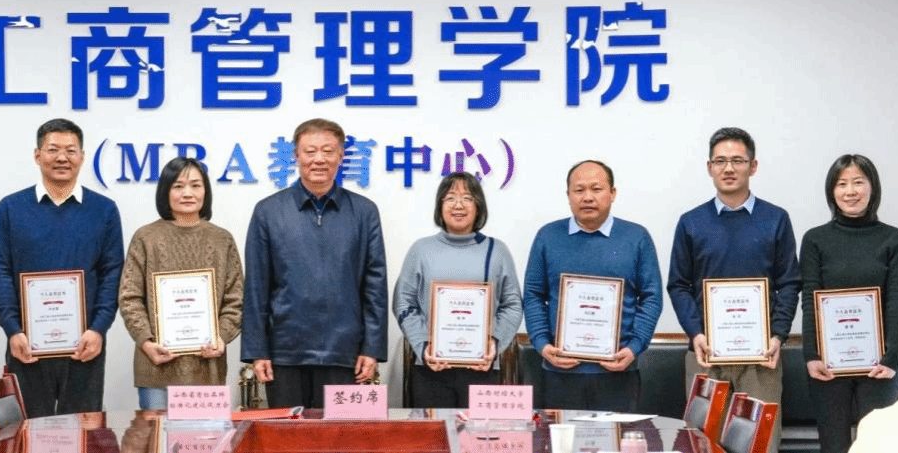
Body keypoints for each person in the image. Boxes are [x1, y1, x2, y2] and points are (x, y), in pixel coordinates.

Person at [667, 127, 800, 453]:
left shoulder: (775, 219)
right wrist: (696, 333)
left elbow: (789, 282)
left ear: (753, 166)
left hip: (761, 360)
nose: (728, 168)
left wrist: (778, 335)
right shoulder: (691, 222)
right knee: (703, 446)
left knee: (760, 446)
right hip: (706, 356)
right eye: (720, 161)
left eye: (737, 161)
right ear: (709, 167)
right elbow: (678, 284)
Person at [241, 118, 388, 408]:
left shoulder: (364, 212)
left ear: (341, 156)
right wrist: (257, 351)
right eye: (310, 151)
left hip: (344, 352)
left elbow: (375, 285)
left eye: (328, 151)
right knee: (287, 433)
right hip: (284, 353)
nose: (319, 159)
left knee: (338, 433)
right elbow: (256, 286)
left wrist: (371, 348)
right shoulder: (268, 211)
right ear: (296, 155)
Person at [0, 118, 124, 416]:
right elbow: (0, 271)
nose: (62, 157)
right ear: (37, 155)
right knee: (28, 430)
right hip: (27, 345)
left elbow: (112, 272)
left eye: (71, 150)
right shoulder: (10, 208)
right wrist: (12, 329)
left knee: (83, 430)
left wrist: (98, 328)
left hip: (84, 346)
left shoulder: (104, 210)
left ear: (82, 157)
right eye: (53, 150)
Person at [522, 160, 664, 412]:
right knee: (560, 436)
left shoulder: (637, 237)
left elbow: (652, 297)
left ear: (613, 193)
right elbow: (533, 294)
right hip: (560, 372)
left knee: (618, 437)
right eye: (579, 190)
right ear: (568, 195)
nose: (587, 197)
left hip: (618, 371)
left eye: (596, 189)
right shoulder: (548, 236)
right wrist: (542, 344)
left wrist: (634, 347)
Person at [800, 155, 898, 453]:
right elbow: (809, 300)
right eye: (842, 184)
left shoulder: (893, 239)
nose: (850, 191)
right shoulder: (815, 239)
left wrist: (891, 358)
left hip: (878, 365)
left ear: (872, 187)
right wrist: (811, 355)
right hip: (828, 365)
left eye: (858, 182)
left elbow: (896, 302)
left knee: (876, 445)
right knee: (833, 446)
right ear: (831, 191)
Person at [118, 157, 244, 409]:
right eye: (178, 186)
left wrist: (221, 337)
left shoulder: (222, 240)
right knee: (156, 435)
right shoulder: (145, 238)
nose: (187, 193)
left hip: (207, 369)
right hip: (157, 369)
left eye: (195, 185)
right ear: (165, 191)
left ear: (205, 191)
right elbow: (129, 297)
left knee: (204, 436)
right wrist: (146, 342)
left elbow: (236, 298)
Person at [392, 172, 523, 408]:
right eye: (450, 198)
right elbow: (403, 302)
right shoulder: (421, 250)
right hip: (431, 370)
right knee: (433, 431)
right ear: (440, 205)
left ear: (479, 206)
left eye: (467, 198)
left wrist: (495, 343)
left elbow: (513, 304)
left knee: (479, 432)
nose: (458, 205)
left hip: (482, 368)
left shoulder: (497, 251)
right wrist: (423, 346)